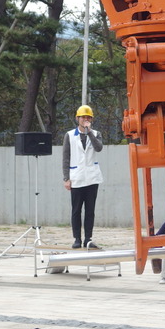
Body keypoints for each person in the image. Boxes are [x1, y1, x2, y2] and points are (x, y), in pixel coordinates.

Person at [62, 104, 104, 249]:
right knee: (76, 210)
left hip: (92, 178)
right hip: (77, 177)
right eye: (83, 117)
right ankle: (77, 239)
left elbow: (99, 147)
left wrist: (89, 132)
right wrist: (66, 178)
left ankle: (88, 238)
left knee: (90, 210)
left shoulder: (96, 133)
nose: (85, 119)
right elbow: (66, 157)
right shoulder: (69, 135)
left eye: (88, 117)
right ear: (77, 118)